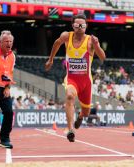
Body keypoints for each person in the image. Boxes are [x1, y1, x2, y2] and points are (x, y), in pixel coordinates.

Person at [45, 14, 106, 142]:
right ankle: (70, 129)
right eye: (77, 25)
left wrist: (97, 46)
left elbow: (102, 57)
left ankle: (80, 116)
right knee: (69, 96)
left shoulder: (91, 40)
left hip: (86, 82)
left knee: (86, 112)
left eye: (82, 25)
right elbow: (56, 43)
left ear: (86, 26)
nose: (79, 27)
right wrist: (50, 59)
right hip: (72, 79)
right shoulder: (67, 36)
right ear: (73, 25)